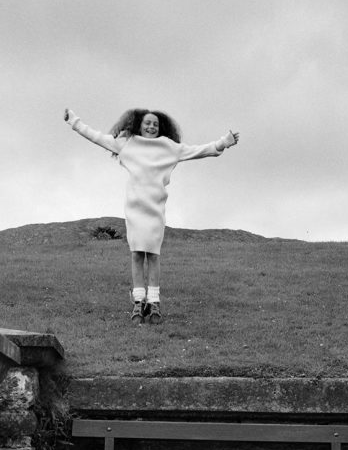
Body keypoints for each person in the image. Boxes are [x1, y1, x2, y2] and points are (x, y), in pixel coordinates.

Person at [65, 107, 239, 324]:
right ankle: (138, 302)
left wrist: (224, 142)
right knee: (137, 254)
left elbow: (200, 151)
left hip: (155, 210)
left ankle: (154, 302)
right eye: (147, 123)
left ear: (161, 128)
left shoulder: (169, 147)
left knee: (153, 255)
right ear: (139, 125)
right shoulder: (127, 143)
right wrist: (74, 121)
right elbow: (96, 137)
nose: (151, 127)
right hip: (135, 209)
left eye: (155, 124)